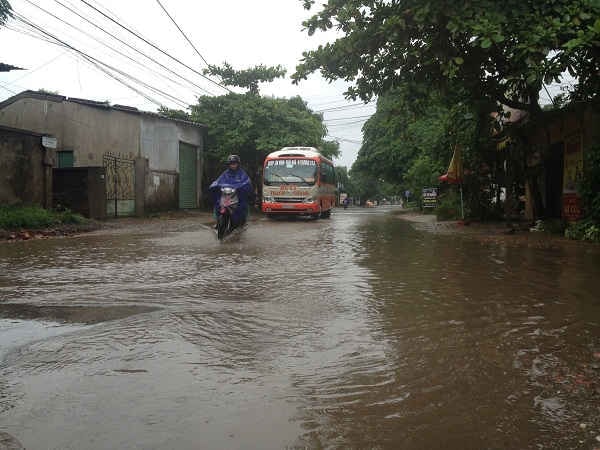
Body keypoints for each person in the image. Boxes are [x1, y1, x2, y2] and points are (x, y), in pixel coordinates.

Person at [209, 154, 253, 227]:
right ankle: (217, 220)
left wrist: (243, 186)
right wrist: (215, 184)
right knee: (218, 205)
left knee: (242, 206)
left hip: (237, 196)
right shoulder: (225, 173)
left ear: (238, 164)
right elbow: (219, 180)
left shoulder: (242, 173)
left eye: (234, 163)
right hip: (226, 196)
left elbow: (247, 182)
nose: (233, 165)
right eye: (231, 164)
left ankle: (242, 220)